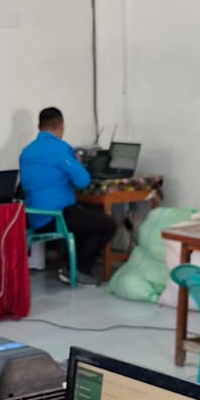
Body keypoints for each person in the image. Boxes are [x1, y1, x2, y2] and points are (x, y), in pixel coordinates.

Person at [18, 107, 116, 285]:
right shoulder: (60, 149)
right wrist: (78, 163)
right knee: (107, 224)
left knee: (83, 216)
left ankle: (69, 267)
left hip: (33, 218)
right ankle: (80, 271)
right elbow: (83, 181)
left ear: (39, 126)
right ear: (61, 126)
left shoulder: (26, 152)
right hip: (55, 217)